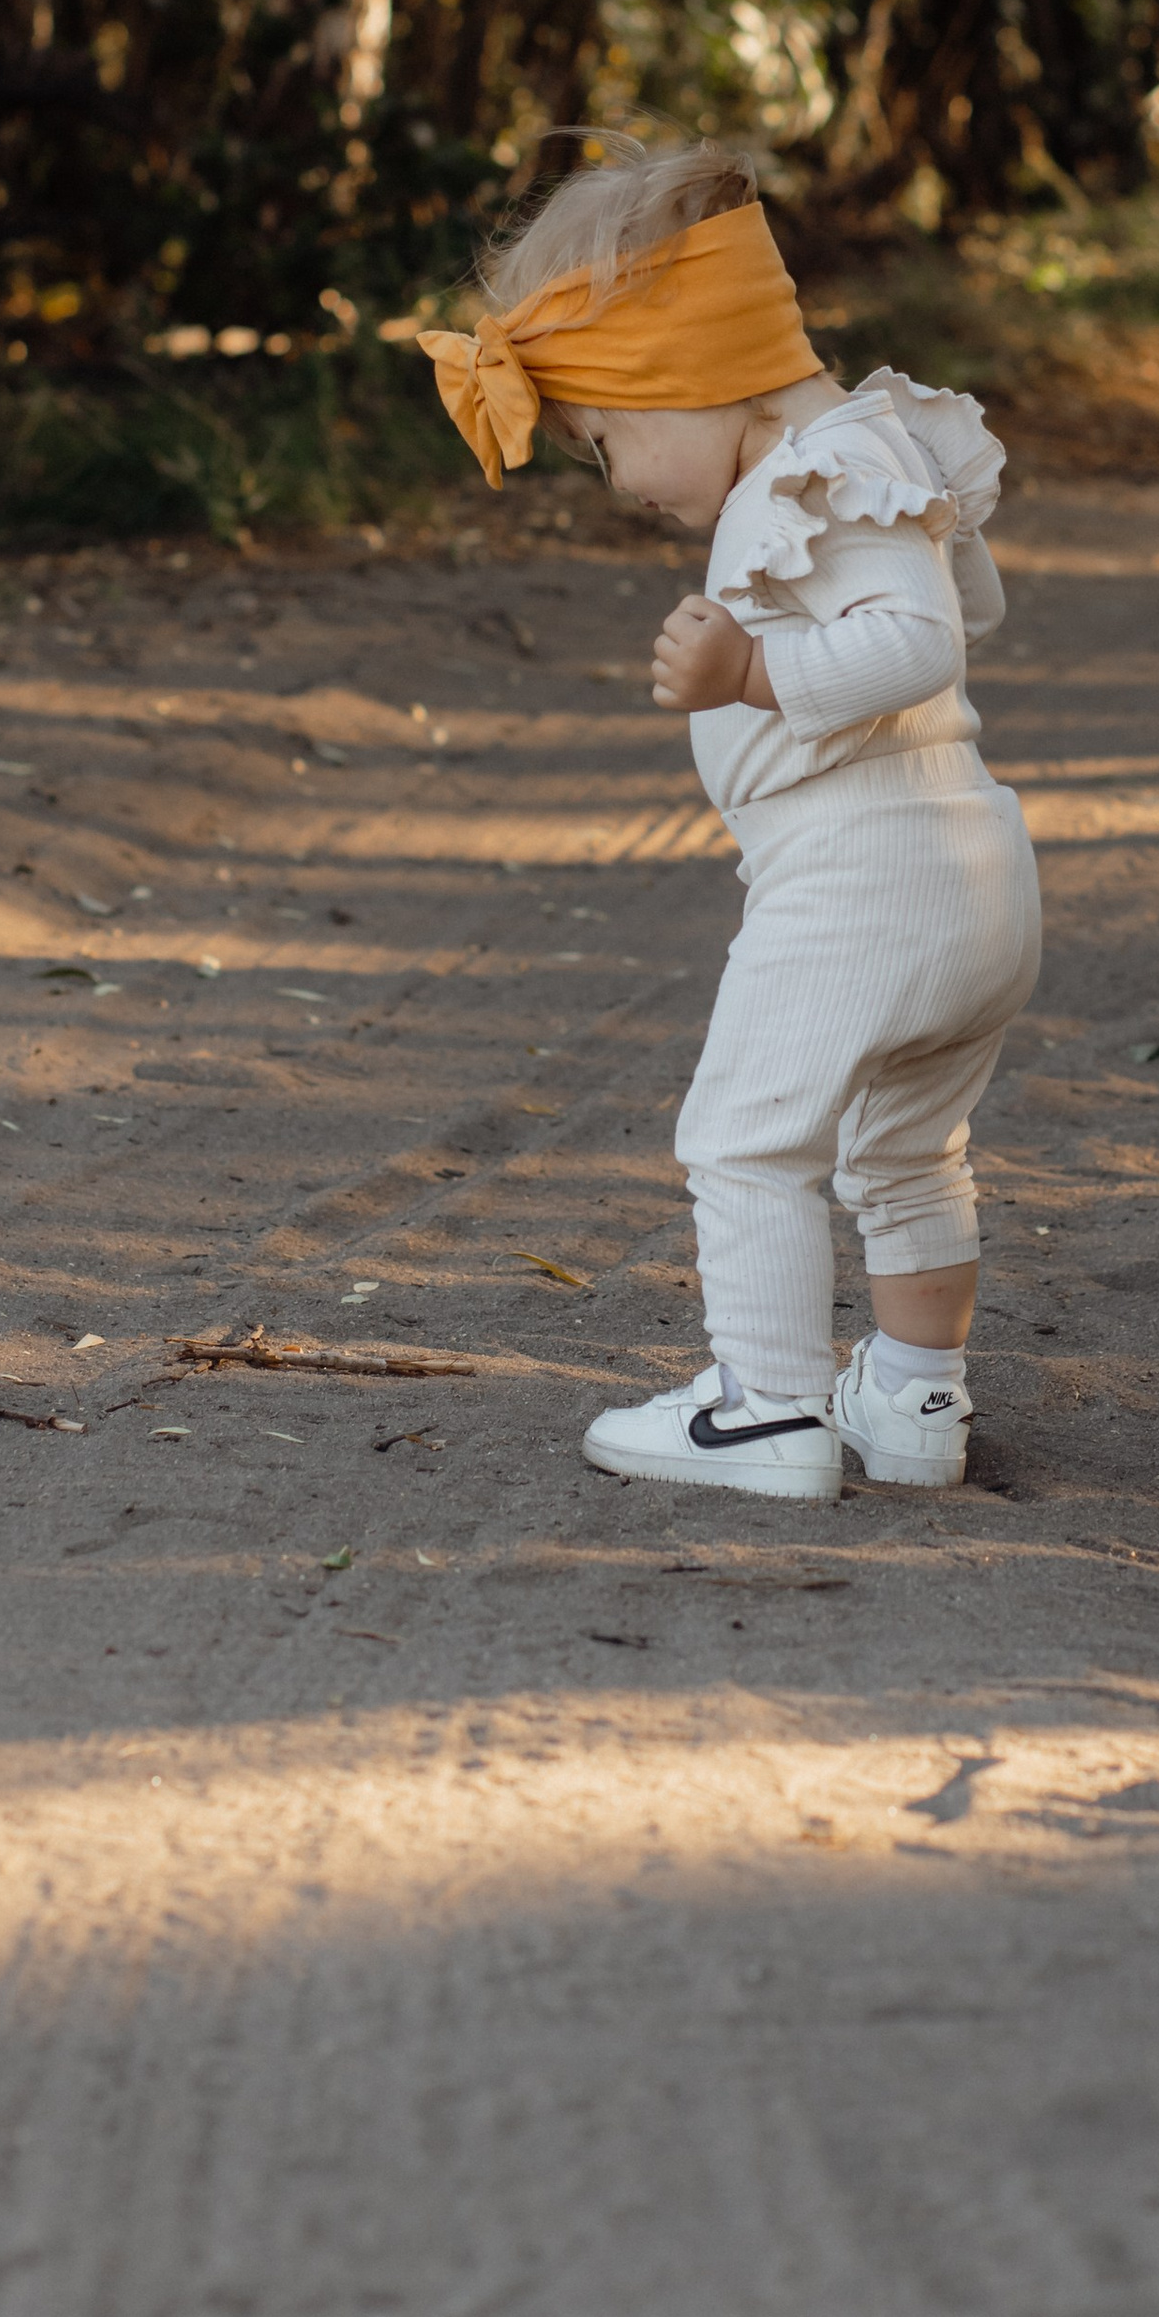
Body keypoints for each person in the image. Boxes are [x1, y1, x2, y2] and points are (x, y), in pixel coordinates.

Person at [422, 136, 1041, 1501]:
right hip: (969, 872)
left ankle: (763, 1409)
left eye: (609, 443)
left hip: (859, 875)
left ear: (684, 376)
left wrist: (751, 672)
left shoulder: (812, 473)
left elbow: (925, 641)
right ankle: (913, 1395)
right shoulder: (862, 457)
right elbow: (973, 601)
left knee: (744, 1138)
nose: (623, 484)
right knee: (905, 1151)